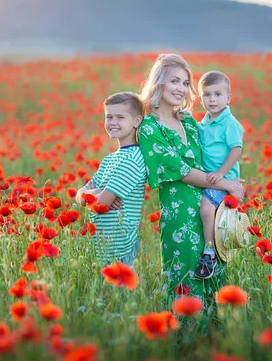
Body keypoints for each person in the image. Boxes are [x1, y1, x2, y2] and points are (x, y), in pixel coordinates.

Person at [137, 53, 245, 305]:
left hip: (210, 209)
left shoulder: (188, 121)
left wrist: (231, 181)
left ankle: (217, 338)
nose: (180, 88)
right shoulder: (149, 128)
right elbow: (181, 171)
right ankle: (186, 340)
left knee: (215, 279)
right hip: (181, 216)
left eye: (185, 83)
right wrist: (225, 184)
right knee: (186, 280)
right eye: (174, 81)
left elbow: (214, 156)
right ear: (159, 82)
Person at [75, 91, 146, 266]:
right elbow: (80, 195)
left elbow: (101, 204)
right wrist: (97, 192)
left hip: (121, 245)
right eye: (109, 117)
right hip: (102, 244)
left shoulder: (133, 159)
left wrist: (92, 196)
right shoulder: (110, 159)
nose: (113, 122)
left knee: (120, 291)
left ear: (137, 121)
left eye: (120, 117)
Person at [194, 71, 245, 279]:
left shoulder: (229, 123)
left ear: (228, 98)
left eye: (217, 94)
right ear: (200, 98)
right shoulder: (204, 123)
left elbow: (236, 149)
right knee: (213, 217)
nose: (212, 99)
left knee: (207, 211)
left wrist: (222, 174)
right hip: (211, 178)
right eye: (207, 95)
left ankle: (209, 254)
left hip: (222, 179)